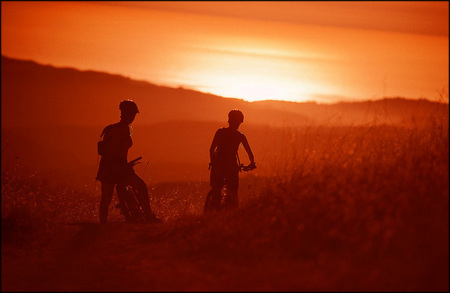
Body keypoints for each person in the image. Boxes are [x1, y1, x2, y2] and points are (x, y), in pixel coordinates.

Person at [96, 100, 160, 224]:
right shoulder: (121, 130)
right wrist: (121, 164)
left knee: (105, 200)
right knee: (141, 187)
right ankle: (148, 216)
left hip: (108, 169)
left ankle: (102, 226)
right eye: (132, 114)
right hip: (117, 169)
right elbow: (113, 152)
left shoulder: (116, 129)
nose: (133, 117)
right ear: (126, 113)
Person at [204, 109, 256, 213]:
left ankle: (212, 212)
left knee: (216, 191)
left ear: (229, 120)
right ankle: (230, 214)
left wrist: (213, 162)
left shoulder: (220, 132)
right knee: (232, 194)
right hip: (232, 167)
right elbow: (250, 154)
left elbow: (212, 149)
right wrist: (251, 164)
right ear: (240, 122)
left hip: (218, 166)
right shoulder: (240, 136)